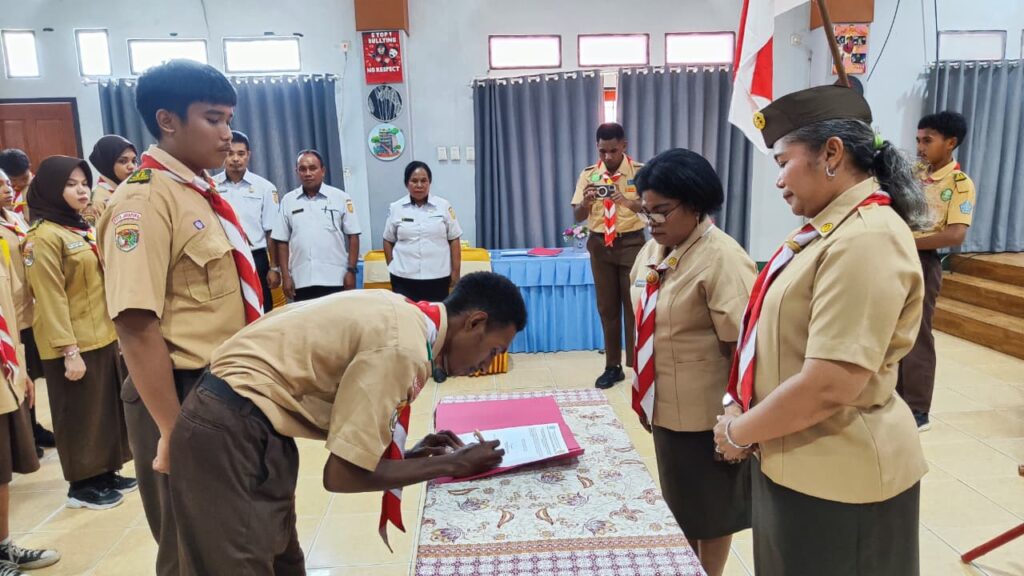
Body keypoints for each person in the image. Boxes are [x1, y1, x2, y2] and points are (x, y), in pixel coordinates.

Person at [168, 272, 524, 574]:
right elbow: (341, 475)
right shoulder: (403, 347)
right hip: (228, 426)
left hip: (252, 423)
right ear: (474, 322)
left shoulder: (406, 315)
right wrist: (453, 464)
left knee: (282, 562)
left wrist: (409, 457)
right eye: (493, 350)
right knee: (239, 565)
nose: (484, 364)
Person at [712, 85, 929, 575]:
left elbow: (833, 382)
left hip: (841, 475)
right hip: (793, 456)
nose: (778, 180)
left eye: (783, 162)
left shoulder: (866, 239)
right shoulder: (826, 230)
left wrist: (740, 433)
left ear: (831, 153)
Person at [97, 59, 258, 576]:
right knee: (193, 547)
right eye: (213, 118)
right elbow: (135, 324)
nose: (227, 133)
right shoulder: (143, 200)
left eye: (228, 119)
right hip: (181, 393)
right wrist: (172, 429)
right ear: (167, 120)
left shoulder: (199, 193)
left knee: (237, 535)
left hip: (226, 387)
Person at [628, 149, 756, 576]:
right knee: (681, 505)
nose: (653, 221)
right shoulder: (653, 249)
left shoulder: (722, 258)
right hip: (665, 405)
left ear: (695, 204)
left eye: (662, 210)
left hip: (707, 416)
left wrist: (739, 420)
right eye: (646, 210)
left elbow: (744, 349)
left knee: (713, 511)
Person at [23, 156, 134, 510]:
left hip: (100, 334)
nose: (82, 190)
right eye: (70, 184)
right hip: (71, 342)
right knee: (78, 414)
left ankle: (105, 472)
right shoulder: (43, 237)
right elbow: (50, 298)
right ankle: (82, 486)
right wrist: (68, 350)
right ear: (51, 189)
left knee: (103, 409)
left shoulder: (77, 228)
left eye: (84, 183)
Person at [0, 169, 62, 576]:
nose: (6, 190)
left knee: (1, 467)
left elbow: (10, 304)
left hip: (4, 364)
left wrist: (18, 367)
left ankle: (3, 546)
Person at [899, 111, 976, 432]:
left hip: (923, 260)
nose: (920, 147)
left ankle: (918, 408)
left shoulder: (960, 184)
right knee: (891, 329)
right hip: (896, 255)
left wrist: (907, 240)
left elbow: (955, 235)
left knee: (917, 333)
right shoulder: (912, 173)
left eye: (927, 140)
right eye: (918, 140)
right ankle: (892, 398)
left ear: (950, 143)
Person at [570, 123, 645, 389]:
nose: (608, 156)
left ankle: (638, 366)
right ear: (597, 147)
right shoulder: (589, 174)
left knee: (634, 305)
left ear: (624, 145)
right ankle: (612, 367)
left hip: (632, 243)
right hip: (600, 244)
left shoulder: (639, 172)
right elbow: (577, 215)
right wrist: (586, 202)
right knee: (607, 308)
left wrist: (625, 201)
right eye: (602, 151)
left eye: (613, 150)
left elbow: (648, 208)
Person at [0, 171, 51, 459]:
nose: (7, 189)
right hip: (10, 312)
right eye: (0, 185)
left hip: (28, 308)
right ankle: (23, 434)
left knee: (30, 372)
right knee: (17, 373)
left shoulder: (15, 218)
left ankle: (33, 426)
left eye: (8, 183)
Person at [273, 149, 361, 302]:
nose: (308, 173)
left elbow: (353, 235)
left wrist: (351, 271)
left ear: (323, 171)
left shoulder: (340, 198)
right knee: (306, 318)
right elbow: (281, 241)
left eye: (312, 168)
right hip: (301, 279)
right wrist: (285, 276)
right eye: (302, 169)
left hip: (335, 277)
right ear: (297, 172)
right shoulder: (288, 200)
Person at [213, 130, 279, 312]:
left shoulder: (265, 188)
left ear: (248, 155)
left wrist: (274, 268)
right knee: (228, 309)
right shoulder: (211, 186)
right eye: (230, 153)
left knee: (261, 308)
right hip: (224, 257)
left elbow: (272, 232)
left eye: (241, 154)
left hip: (256, 258)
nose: (235, 159)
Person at [383, 161, 463, 303]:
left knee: (435, 315)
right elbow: (388, 239)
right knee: (406, 315)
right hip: (403, 278)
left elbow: (454, 238)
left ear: (429, 182)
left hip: (438, 277)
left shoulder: (443, 206)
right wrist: (392, 265)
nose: (419, 185)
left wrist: (456, 272)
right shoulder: (396, 208)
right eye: (414, 181)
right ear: (406, 183)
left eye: (423, 180)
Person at [83, 135, 138, 224]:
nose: (132, 166)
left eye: (134, 161)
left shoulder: (133, 191)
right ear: (107, 164)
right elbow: (93, 232)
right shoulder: (96, 200)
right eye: (123, 161)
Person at [0, 150, 31, 219]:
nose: (21, 184)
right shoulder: (4, 193)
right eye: (13, 180)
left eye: (25, 178)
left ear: (29, 167)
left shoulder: (40, 187)